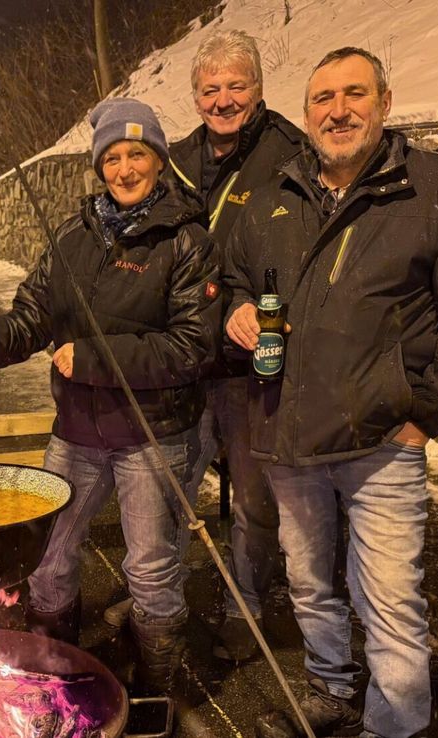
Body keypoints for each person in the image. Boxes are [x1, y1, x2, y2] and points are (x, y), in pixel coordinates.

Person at [220, 48, 438, 738]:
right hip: (288, 435)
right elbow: (237, 282)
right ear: (305, 115)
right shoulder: (272, 201)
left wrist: (431, 414)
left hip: (382, 442)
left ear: (386, 102)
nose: (338, 109)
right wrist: (235, 309)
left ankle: (394, 728)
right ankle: (329, 689)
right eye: (322, 98)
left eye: (354, 93)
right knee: (309, 587)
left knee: (387, 601)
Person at [0, 98, 223, 694]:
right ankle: (56, 673)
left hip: (152, 434)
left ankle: (153, 688)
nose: (123, 169)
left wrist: (93, 359)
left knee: (150, 570)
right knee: (48, 559)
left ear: (159, 161)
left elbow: (193, 347)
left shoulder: (187, 241)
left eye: (136, 154)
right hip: (78, 434)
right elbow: (31, 317)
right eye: (111, 157)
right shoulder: (73, 234)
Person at [108, 28, 305, 663]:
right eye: (210, 88)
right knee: (168, 485)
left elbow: (306, 252)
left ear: (259, 89)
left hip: (255, 362)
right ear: (194, 96)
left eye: (235, 86)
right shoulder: (180, 158)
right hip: (187, 357)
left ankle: (243, 611)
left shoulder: (292, 156)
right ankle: (154, 590)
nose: (222, 99)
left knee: (251, 499)